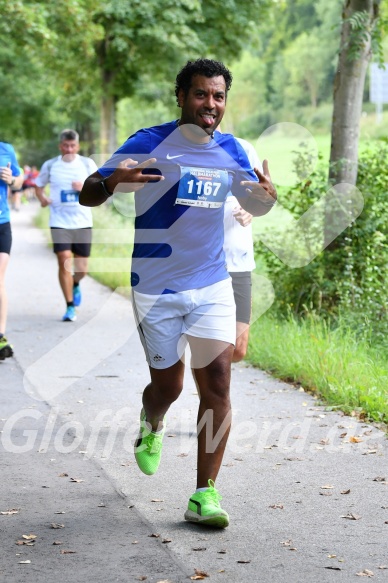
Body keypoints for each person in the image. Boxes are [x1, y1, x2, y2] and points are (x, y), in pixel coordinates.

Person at [80, 58, 277, 528]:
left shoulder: (230, 150)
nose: (210, 104)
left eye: (218, 96)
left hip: (212, 283)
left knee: (219, 383)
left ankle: (203, 495)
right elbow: (88, 193)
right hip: (155, 287)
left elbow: (251, 202)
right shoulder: (149, 142)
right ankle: (152, 423)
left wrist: (267, 199)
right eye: (201, 94)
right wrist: (112, 180)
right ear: (182, 96)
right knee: (167, 386)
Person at [35, 129, 98, 322]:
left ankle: (75, 282)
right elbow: (38, 185)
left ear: (78, 146)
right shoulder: (51, 164)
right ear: (60, 146)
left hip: (82, 222)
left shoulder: (87, 164)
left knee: (81, 269)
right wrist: (43, 199)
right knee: (63, 260)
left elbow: (100, 187)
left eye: (72, 146)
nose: (69, 149)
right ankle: (70, 306)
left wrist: (85, 187)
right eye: (65, 145)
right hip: (59, 222)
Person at [223, 137, 262, 362]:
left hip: (238, 258)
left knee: (238, 349)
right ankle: (211, 398)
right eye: (201, 97)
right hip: (201, 261)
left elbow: (262, 197)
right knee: (209, 349)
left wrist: (251, 210)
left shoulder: (243, 149)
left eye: (218, 97)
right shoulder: (188, 151)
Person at [0, 141, 23, 359]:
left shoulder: (6, 149)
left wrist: (12, 180)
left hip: (1, 224)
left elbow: (19, 179)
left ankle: (0, 336)